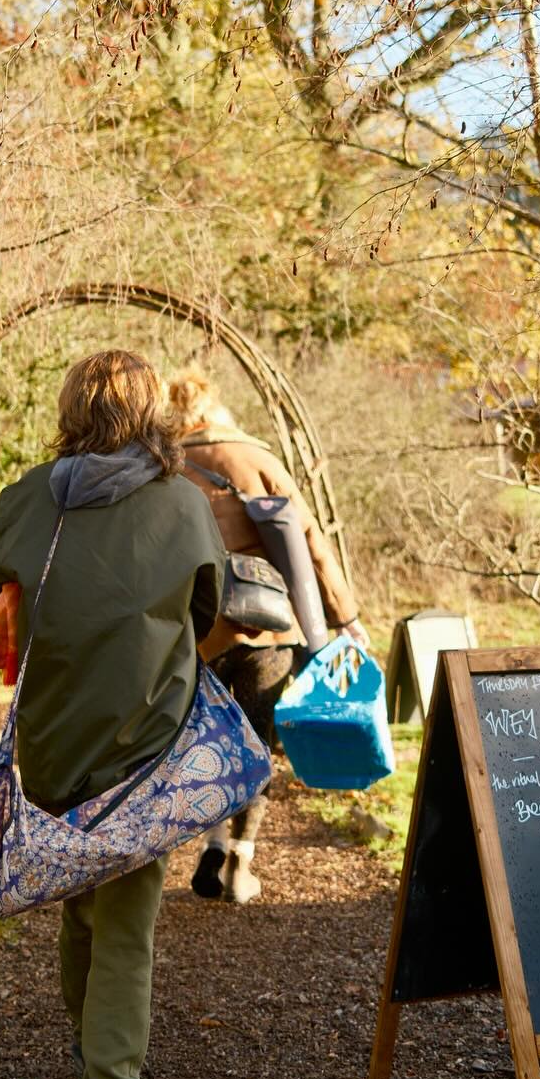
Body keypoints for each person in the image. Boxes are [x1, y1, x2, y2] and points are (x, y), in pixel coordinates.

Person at [0, 350, 225, 1079]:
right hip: (140, 751)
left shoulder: (24, 498)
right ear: (153, 414)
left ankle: (89, 1054)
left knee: (81, 902)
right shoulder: (182, 506)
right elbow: (208, 607)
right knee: (124, 922)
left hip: (51, 746)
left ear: (70, 409)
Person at [168, 369, 364, 905]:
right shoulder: (258, 458)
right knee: (256, 743)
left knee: (207, 742)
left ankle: (210, 844)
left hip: (195, 634)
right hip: (267, 630)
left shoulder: (164, 470)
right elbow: (312, 545)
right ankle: (240, 861)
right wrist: (345, 616)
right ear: (216, 408)